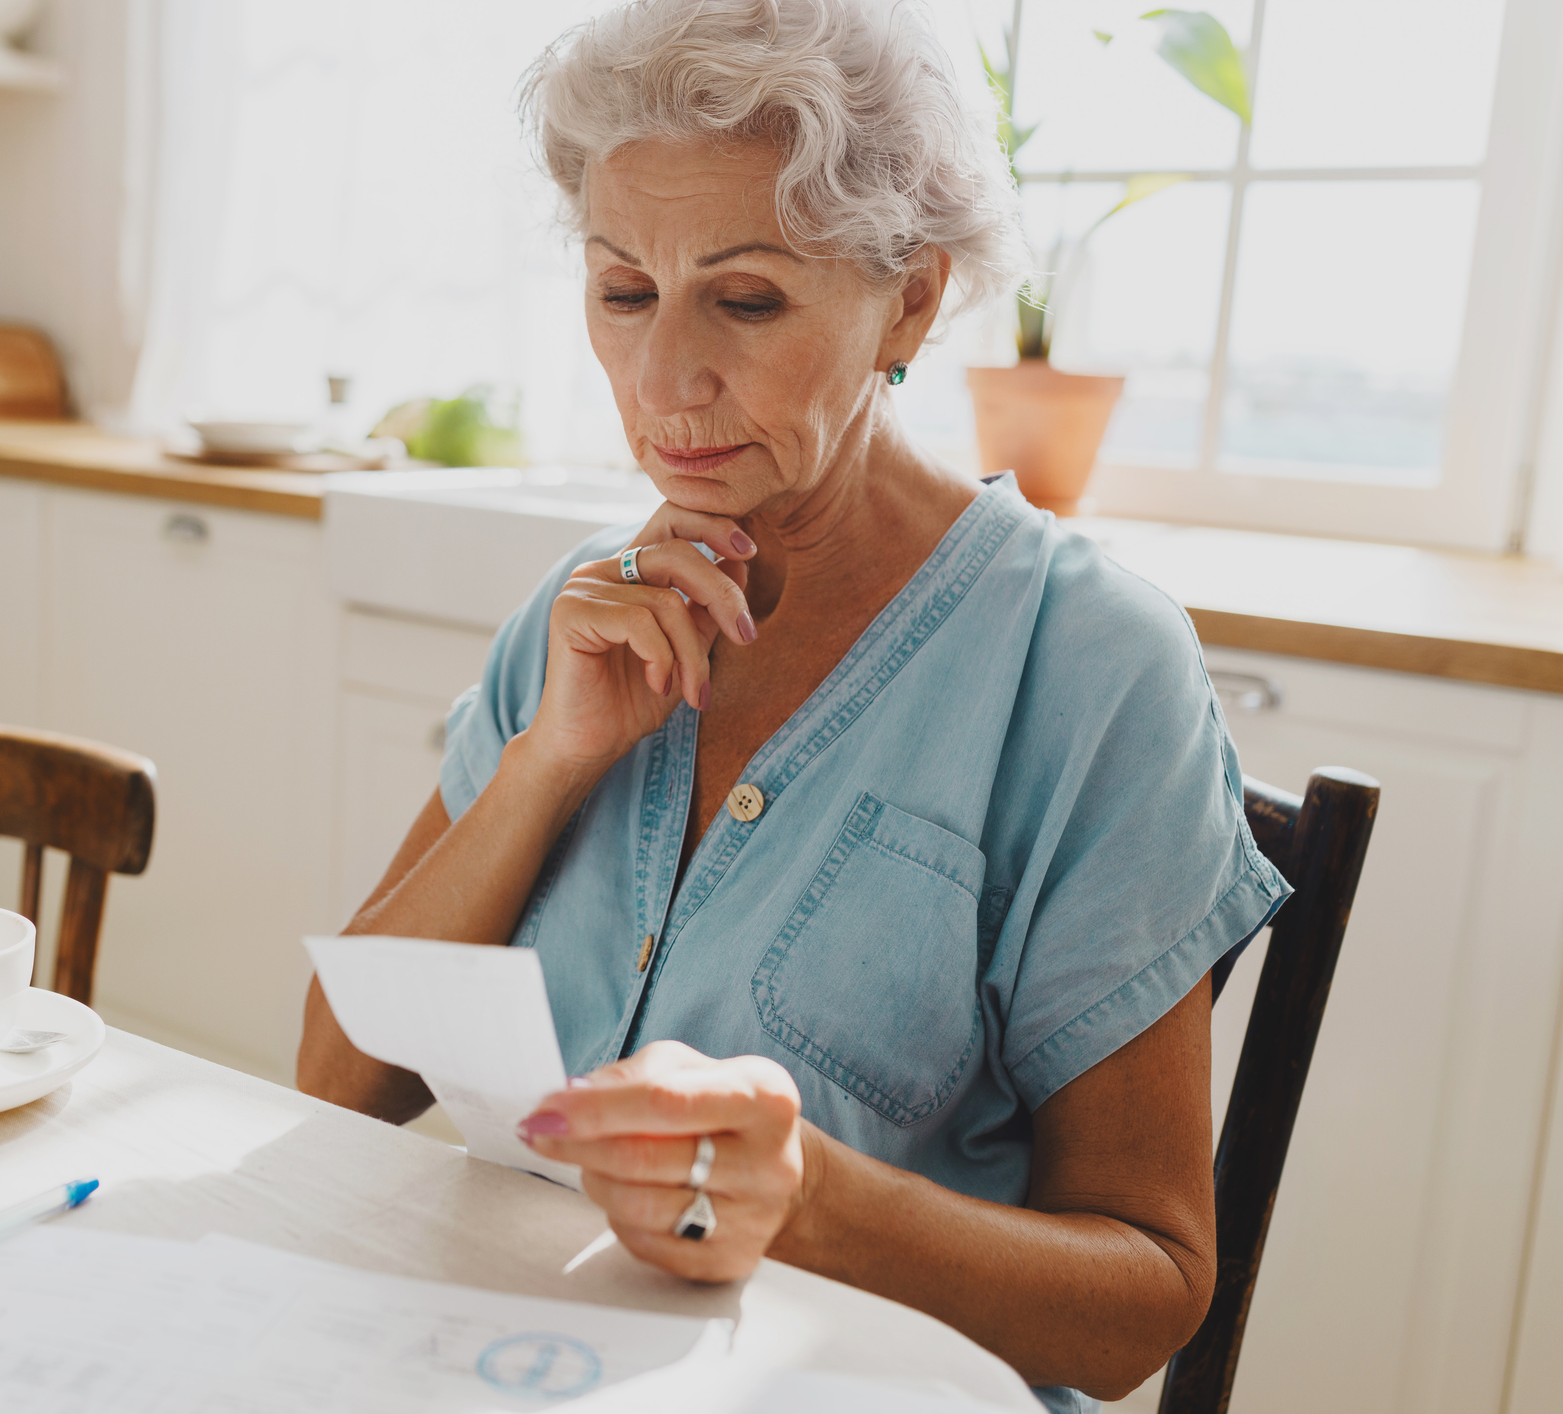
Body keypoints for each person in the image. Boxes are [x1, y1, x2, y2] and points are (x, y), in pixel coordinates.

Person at [297, 2, 1288, 1407]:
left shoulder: (1085, 666)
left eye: (746, 299)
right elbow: (335, 1082)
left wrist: (812, 1198)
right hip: (520, 1361)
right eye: (622, 292)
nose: (662, 382)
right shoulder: (584, 609)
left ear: (910, 298)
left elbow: (1140, 1302)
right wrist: (545, 763)